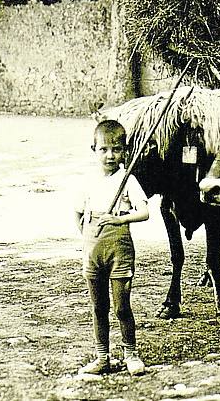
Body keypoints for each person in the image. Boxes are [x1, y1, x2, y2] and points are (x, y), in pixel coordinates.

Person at [74, 120, 150, 376]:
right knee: (98, 307)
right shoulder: (87, 180)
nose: (110, 155)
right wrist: (87, 237)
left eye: (116, 149)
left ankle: (131, 353)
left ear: (125, 151)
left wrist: (120, 219)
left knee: (121, 307)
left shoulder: (127, 180)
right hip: (93, 250)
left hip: (120, 250)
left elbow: (145, 212)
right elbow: (78, 212)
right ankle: (102, 357)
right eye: (104, 149)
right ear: (93, 149)